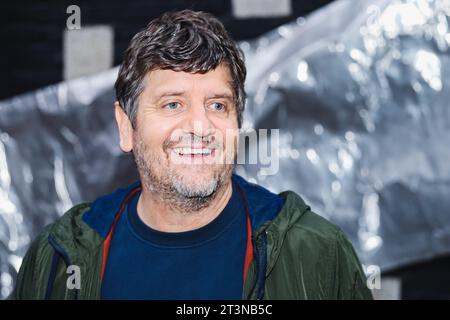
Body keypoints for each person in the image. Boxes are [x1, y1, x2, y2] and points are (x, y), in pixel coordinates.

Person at [10, 10, 372, 300]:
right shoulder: (59, 257)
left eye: (217, 105)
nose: (200, 126)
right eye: (172, 104)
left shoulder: (316, 254)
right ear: (126, 126)